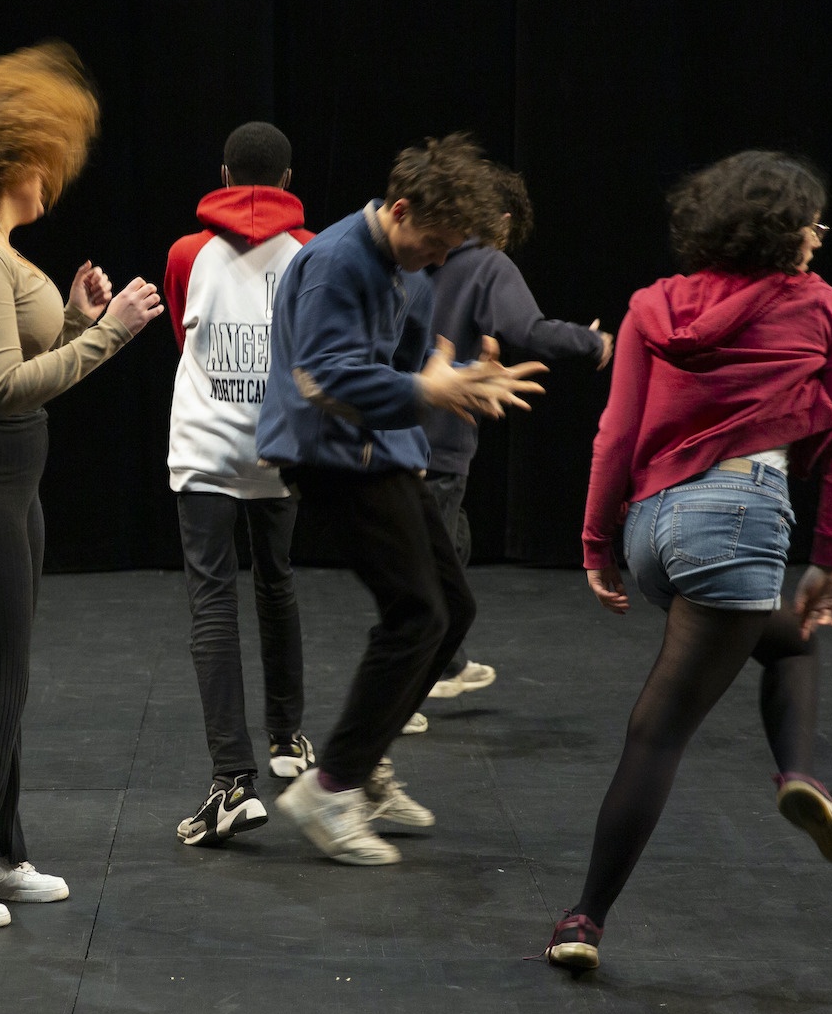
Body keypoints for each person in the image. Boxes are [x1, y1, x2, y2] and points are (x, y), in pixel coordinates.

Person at [547, 150, 832, 972]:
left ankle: (803, 777)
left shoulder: (651, 306)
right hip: (735, 519)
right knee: (657, 734)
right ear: (781, 230)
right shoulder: (821, 309)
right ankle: (583, 919)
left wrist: (597, 542)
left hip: (653, 533)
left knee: (788, 639)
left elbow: (616, 434)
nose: (818, 236)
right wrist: (829, 558)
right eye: (811, 222)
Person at [0, 42, 164, 928]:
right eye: (43, 153)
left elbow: (17, 365)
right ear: (9, 156)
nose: (54, 171)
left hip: (3, 479)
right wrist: (111, 333)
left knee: (7, 675)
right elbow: (0, 384)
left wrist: (80, 320)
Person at [255, 134, 547, 866]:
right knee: (414, 612)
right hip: (330, 457)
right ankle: (334, 784)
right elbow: (322, 376)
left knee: (453, 610)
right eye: (438, 243)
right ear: (403, 209)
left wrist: (457, 380)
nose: (441, 260)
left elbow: (416, 361)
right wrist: (425, 390)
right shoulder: (334, 261)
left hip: (385, 454)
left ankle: (363, 762)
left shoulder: (410, 269)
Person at [162, 121, 318, 847]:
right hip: (278, 446)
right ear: (286, 180)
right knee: (276, 580)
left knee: (211, 598)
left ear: (224, 175)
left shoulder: (187, 253)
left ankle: (232, 778)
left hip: (203, 446)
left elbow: (178, 328)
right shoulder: (311, 253)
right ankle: (289, 738)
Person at [419, 164, 614, 706]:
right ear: (501, 218)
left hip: (400, 428)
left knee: (451, 545)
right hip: (439, 438)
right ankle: (402, 693)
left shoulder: (415, 253)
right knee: (430, 578)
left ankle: (447, 663)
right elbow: (528, 329)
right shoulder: (486, 262)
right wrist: (593, 344)